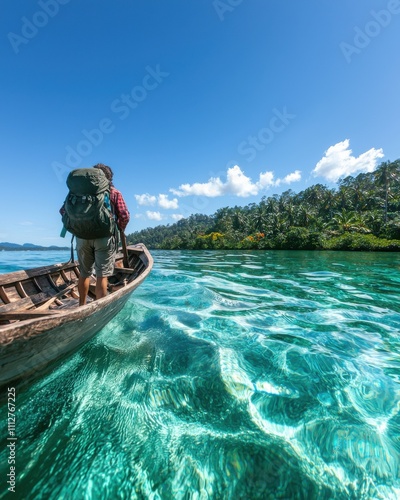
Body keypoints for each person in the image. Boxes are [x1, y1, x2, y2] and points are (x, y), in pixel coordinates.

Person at [61, 163, 130, 305]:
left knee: (84, 273)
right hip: (104, 238)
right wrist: (118, 228)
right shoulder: (114, 192)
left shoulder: (77, 194)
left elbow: (63, 211)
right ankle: (99, 308)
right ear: (109, 178)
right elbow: (124, 215)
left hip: (82, 238)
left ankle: (82, 305)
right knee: (102, 276)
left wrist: (78, 226)